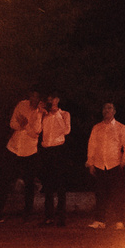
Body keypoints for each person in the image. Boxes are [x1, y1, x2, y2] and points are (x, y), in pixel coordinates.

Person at [0, 92, 43, 221]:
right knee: (4, 179)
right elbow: (12, 123)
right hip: (13, 147)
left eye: (37, 97)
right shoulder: (22, 105)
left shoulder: (39, 112)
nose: (33, 99)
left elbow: (36, 133)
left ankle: (27, 214)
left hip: (29, 151)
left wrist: (26, 124)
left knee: (29, 183)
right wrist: (21, 125)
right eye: (32, 96)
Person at [85, 101, 125, 227]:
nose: (107, 110)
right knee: (100, 194)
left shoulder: (121, 127)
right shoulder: (97, 127)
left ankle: (119, 220)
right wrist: (91, 163)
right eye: (105, 108)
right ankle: (100, 220)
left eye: (109, 108)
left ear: (114, 111)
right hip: (100, 164)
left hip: (115, 164)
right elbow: (92, 145)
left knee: (116, 194)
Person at [36, 92, 74, 226]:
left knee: (60, 185)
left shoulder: (64, 114)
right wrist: (40, 113)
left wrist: (55, 113)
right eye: (48, 100)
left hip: (59, 150)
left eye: (52, 99)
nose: (50, 102)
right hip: (46, 150)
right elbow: (37, 130)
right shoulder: (43, 114)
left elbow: (66, 130)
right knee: (47, 185)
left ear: (57, 100)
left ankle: (61, 216)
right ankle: (48, 216)